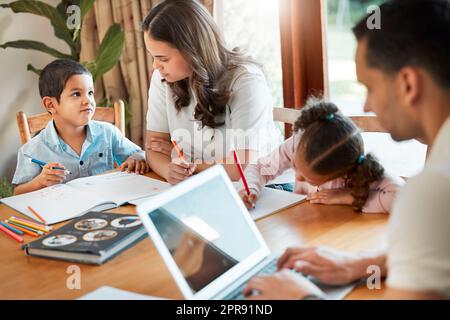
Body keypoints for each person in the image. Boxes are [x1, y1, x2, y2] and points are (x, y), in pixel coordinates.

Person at [243, 0, 450, 299]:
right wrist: (360, 264)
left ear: (407, 83)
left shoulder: (433, 191)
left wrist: (304, 297)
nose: (366, 105)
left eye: (369, 87)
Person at [142, 0, 281, 185]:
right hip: (200, 182)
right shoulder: (164, 78)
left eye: (163, 58)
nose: (155, 65)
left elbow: (241, 168)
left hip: (262, 187)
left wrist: (185, 162)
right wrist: (170, 170)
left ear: (192, 49)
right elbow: (154, 147)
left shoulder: (246, 81)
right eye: (153, 57)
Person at [239, 98, 404, 213]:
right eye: (295, 166)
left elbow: (402, 198)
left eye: (307, 178)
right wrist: (249, 189)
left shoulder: (358, 171)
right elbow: (260, 168)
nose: (297, 177)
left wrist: (351, 197)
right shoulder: (299, 144)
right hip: (304, 223)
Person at [12, 59, 149, 195]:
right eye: (76, 94)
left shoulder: (108, 133)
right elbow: (17, 194)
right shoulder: (30, 151)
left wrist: (136, 158)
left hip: (106, 205)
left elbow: (140, 154)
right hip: (63, 214)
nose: (88, 100)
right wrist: (39, 182)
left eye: (90, 93)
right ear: (51, 105)